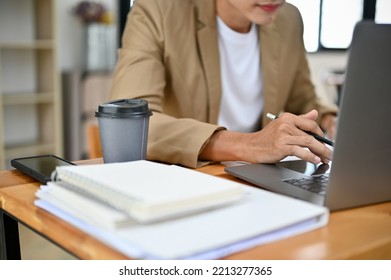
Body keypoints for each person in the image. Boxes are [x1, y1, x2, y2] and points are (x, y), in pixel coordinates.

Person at [109, 0, 338, 168]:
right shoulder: (157, 9)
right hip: (190, 178)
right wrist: (251, 145)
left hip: (257, 180)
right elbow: (129, 124)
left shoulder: (288, 18)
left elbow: (302, 99)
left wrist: (330, 120)